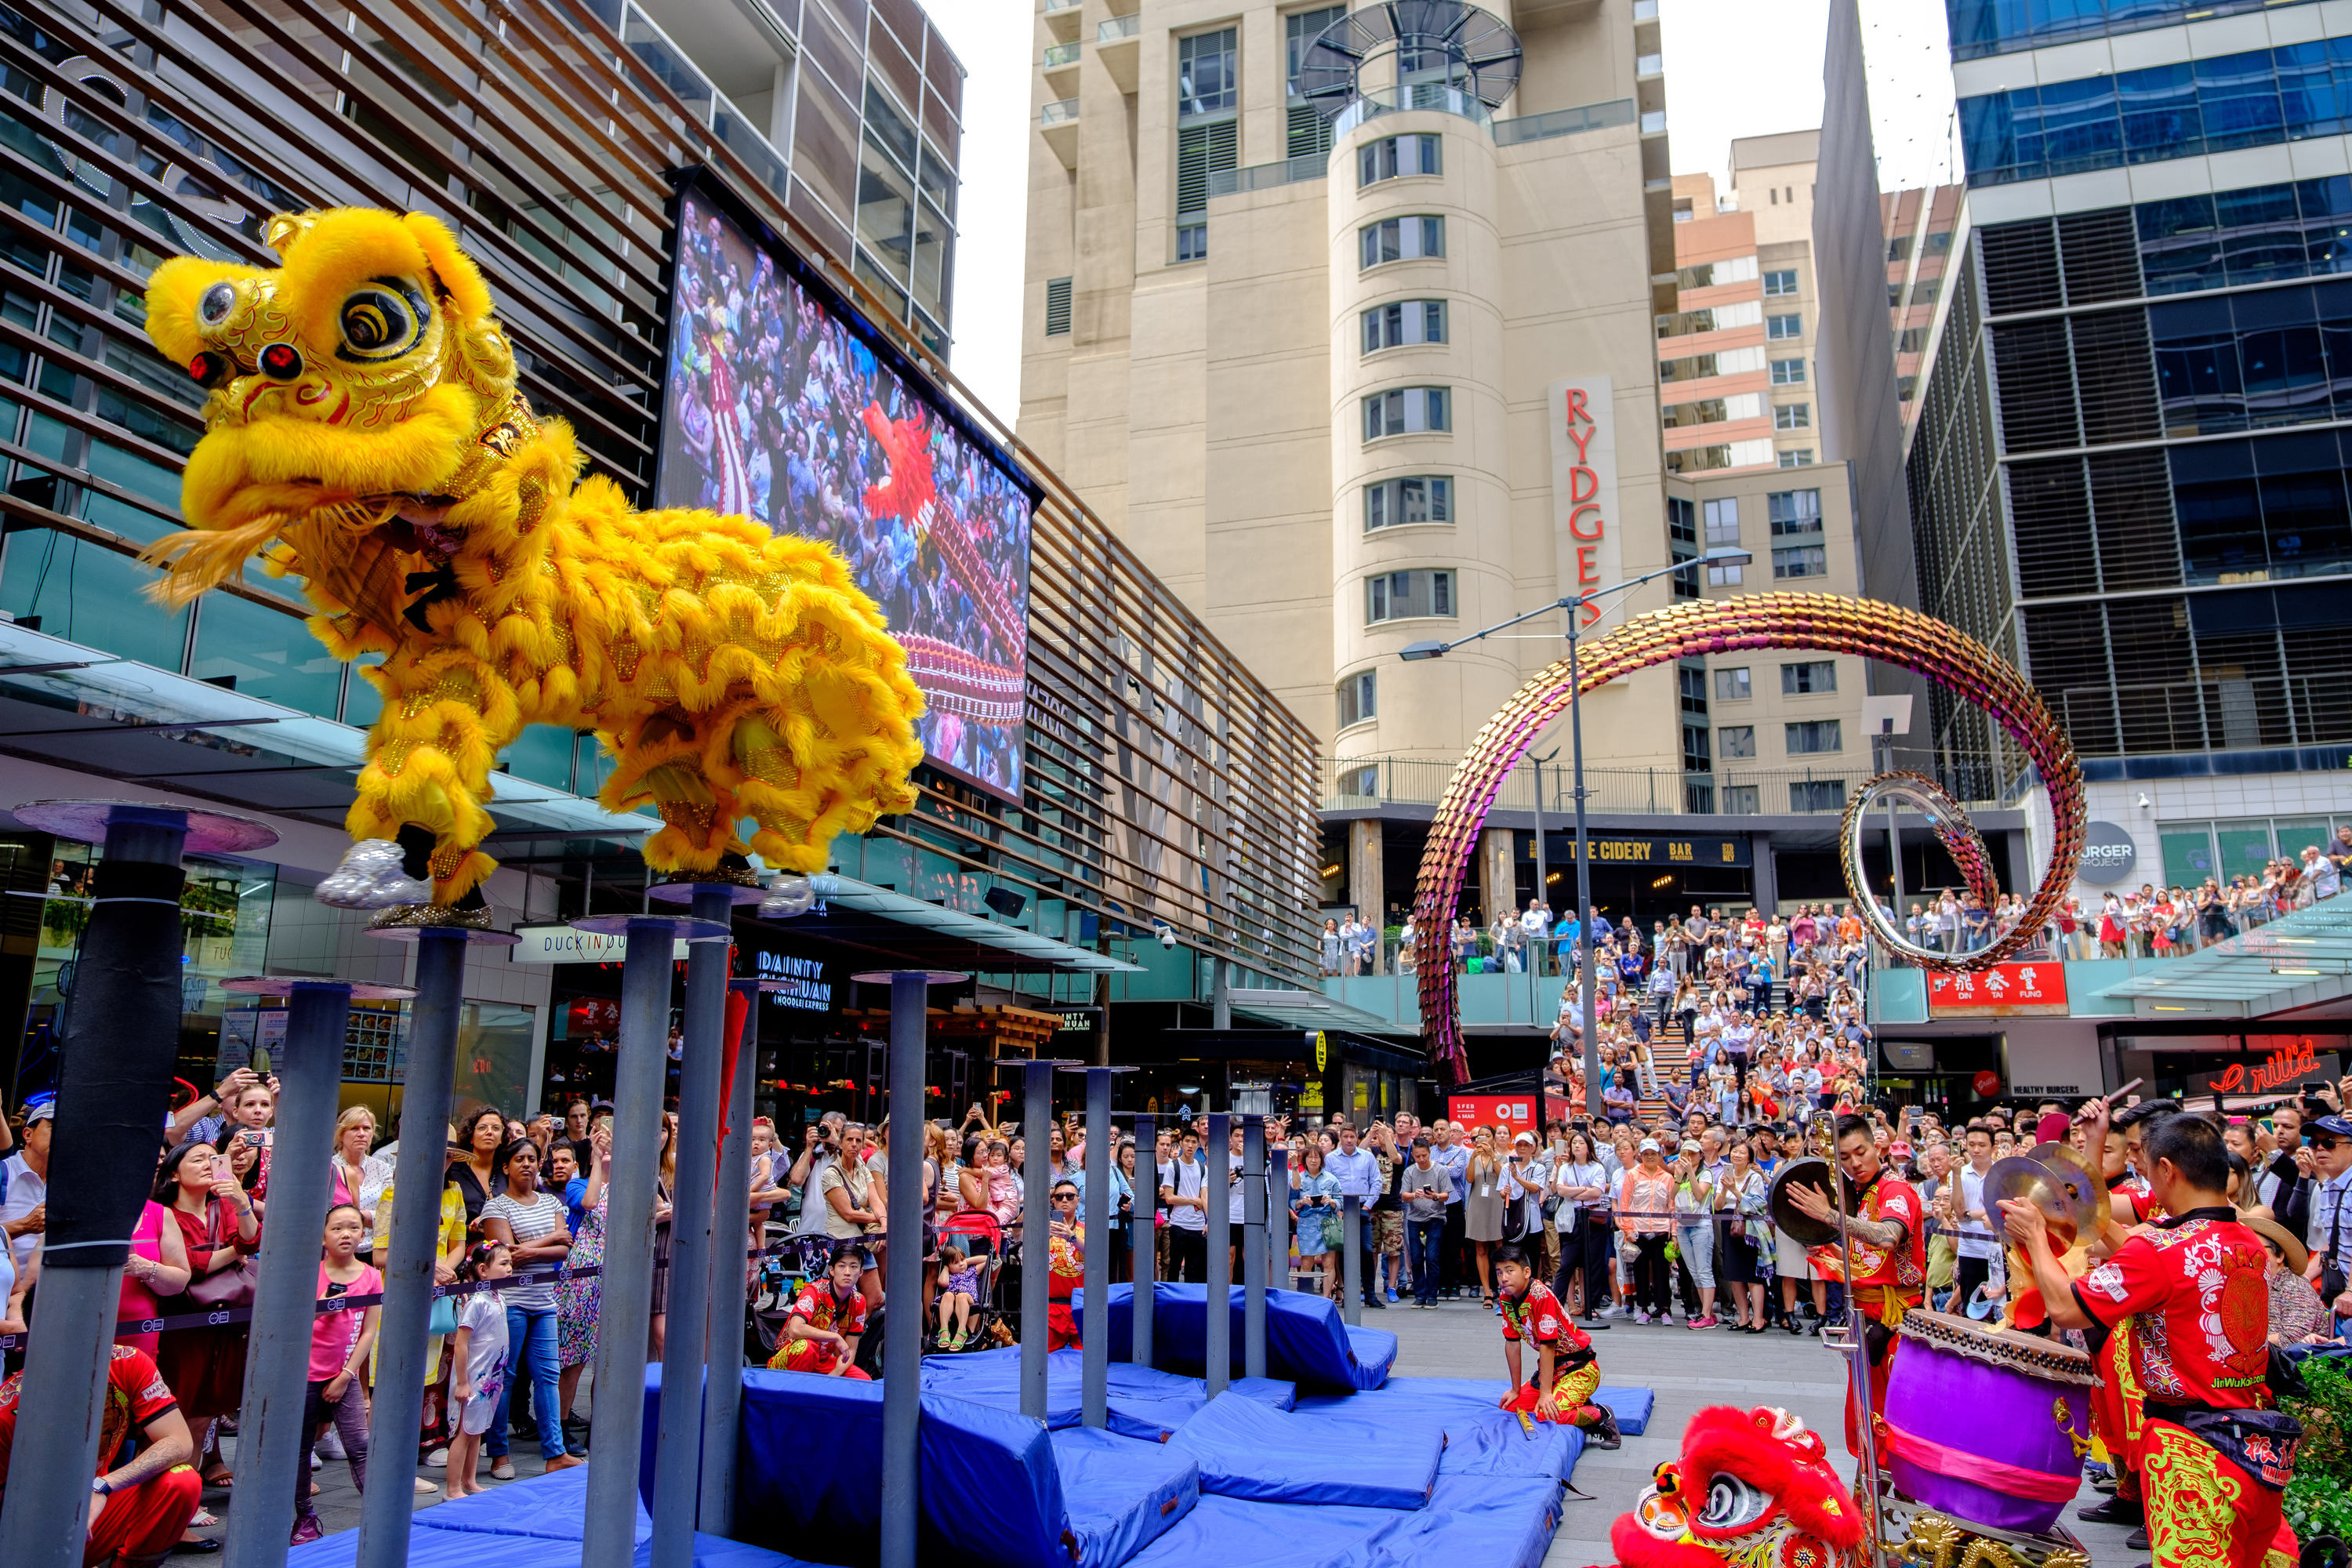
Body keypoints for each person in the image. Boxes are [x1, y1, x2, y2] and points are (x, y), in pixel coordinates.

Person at [2004, 1114, 2298, 1568]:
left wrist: (2036, 1239)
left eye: (2144, 1167)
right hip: (2256, 1445)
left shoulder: (2161, 1250)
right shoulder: (2249, 1242)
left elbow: (2065, 1309)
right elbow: (2138, 1258)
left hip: (2191, 1452)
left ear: (2167, 1170)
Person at [0, 1338, 202, 1568]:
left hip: (93, 1514)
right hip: (25, 1537)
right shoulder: (9, 1408)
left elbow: (179, 1441)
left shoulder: (129, 1362)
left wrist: (103, 1486)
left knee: (182, 1481)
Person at [479, 1138, 578, 1475]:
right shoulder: (495, 1208)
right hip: (511, 1303)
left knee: (548, 1376)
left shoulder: (551, 1202)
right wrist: (550, 1239)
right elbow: (506, 1256)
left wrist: (531, 1249)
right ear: (505, 1167)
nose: (527, 1164)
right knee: (504, 1377)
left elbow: (564, 1252)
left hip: (544, 1301)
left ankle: (555, 1453)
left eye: (532, 1159)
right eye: (519, 1159)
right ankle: (498, 1454)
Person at [291, 1205, 380, 1543]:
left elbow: (368, 1332)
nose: (346, 1234)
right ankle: (305, 1517)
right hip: (305, 1377)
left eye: (354, 1228)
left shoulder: (371, 1275)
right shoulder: (310, 1274)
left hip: (344, 1374)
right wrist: (322, 1309)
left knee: (359, 1444)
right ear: (323, 1235)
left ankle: (378, 1513)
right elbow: (293, 1328)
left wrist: (346, 1375)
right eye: (338, 1228)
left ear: (362, 1234)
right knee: (300, 1449)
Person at [1492, 1243, 1621, 1448]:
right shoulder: (1505, 1298)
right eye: (1499, 1273)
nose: (1503, 1278)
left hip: (1580, 1368)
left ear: (1526, 1272)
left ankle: (1600, 1415)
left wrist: (1545, 1394)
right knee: (1511, 1406)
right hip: (1551, 1372)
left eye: (1509, 1271)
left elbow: (1548, 1346)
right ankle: (1571, 1401)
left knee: (1546, 1414)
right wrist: (1515, 1389)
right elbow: (1512, 1344)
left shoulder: (1541, 1296)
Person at [445, 1240, 513, 1498]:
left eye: (510, 1264)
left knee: (477, 1431)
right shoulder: (477, 1302)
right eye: (504, 1264)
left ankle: (469, 1480)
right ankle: (452, 1488)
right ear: (483, 1270)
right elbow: (461, 1345)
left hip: (491, 1377)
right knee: (464, 1432)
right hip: (474, 1377)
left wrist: (498, 1378)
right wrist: (462, 1382)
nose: (510, 1269)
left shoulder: (499, 1298)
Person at [766, 1242, 870, 1377]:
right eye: (842, 1266)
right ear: (832, 1270)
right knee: (808, 1348)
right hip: (790, 1360)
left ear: (861, 1272)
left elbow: (850, 1349)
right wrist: (835, 1337)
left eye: (854, 1267)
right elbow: (795, 1329)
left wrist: (834, 1375)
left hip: (823, 1361)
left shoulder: (859, 1301)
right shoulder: (814, 1291)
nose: (847, 1272)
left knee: (863, 1380)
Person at [1617, 1138, 1676, 1323]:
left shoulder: (1667, 1177)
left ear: (1660, 1156)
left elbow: (1672, 1207)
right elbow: (1625, 1204)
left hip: (1660, 1232)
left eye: (1654, 1154)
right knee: (1640, 1271)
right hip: (1638, 1232)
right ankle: (1643, 1309)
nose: (1650, 1157)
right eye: (1646, 1154)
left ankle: (1665, 1309)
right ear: (1640, 1155)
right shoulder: (1633, 1175)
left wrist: (1673, 1233)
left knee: (1661, 1271)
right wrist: (1628, 1230)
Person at [1400, 1137, 1448, 1309]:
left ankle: (1432, 1295)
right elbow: (1404, 1196)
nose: (1421, 1159)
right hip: (1414, 1219)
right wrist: (1415, 1195)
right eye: (1418, 1156)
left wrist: (1435, 1195)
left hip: (1435, 1217)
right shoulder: (1410, 1172)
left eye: (1425, 1155)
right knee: (1417, 1258)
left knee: (1433, 1257)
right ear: (1412, 1155)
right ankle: (1420, 1294)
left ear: (1430, 1153)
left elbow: (1446, 1195)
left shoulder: (1440, 1170)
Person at [1160, 1127, 1210, 1283]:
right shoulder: (1173, 1166)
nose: (1190, 1145)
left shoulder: (1202, 1168)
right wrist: (1193, 1201)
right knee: (1174, 1266)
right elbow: (1169, 1198)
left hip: (1198, 1225)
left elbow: (1205, 1195)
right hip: (1178, 1224)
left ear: (1197, 1145)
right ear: (1181, 1143)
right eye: (1187, 1141)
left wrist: (1208, 1221)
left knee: (1195, 1269)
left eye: (1194, 1142)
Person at [1464, 1127, 1505, 1308]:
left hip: (1496, 1203)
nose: (1484, 1140)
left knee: (1500, 1246)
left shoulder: (1502, 1157)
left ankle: (1504, 1288)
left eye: (1488, 1136)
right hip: (1478, 1204)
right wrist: (1473, 1157)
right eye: (1481, 1136)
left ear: (1494, 1139)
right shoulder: (1474, 1157)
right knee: (1480, 1248)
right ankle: (1487, 1291)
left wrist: (1493, 1156)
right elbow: (1470, 1179)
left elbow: (1503, 1175)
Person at [936, 1244, 980, 1349]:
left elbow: (986, 1259)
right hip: (951, 1297)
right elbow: (943, 1282)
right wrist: (946, 1269)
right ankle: (944, 1330)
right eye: (956, 1263)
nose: (961, 1264)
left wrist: (966, 1261)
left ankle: (962, 1330)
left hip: (967, 1297)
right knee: (947, 1295)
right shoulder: (948, 1275)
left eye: (962, 1260)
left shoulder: (971, 1271)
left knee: (961, 1296)